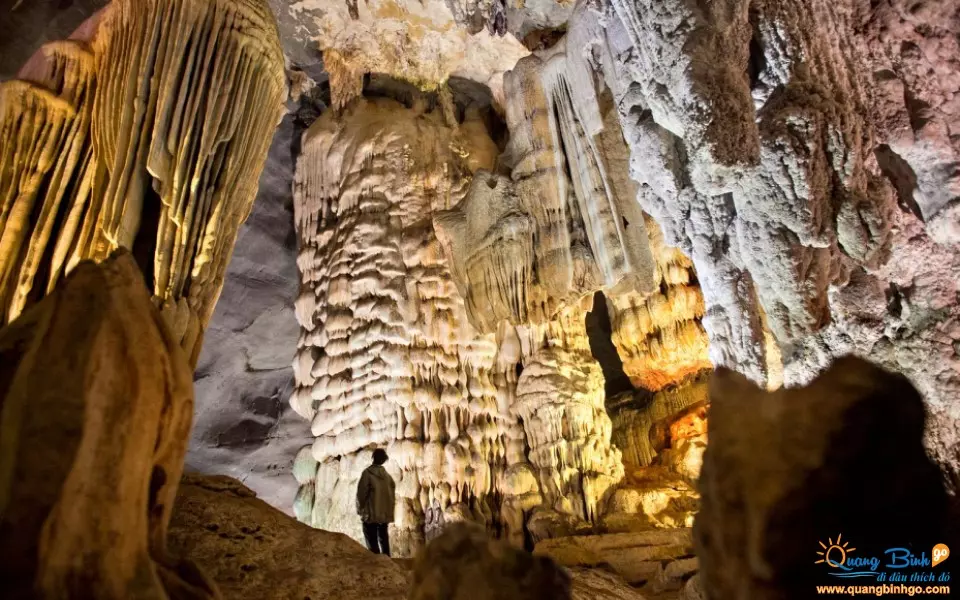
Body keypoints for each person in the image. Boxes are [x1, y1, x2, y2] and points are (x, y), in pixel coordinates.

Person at [356, 448, 396, 556]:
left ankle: (375, 562)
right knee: (383, 538)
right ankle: (387, 561)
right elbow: (391, 493)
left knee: (371, 539)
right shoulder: (387, 477)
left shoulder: (367, 473)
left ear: (373, 458)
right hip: (384, 515)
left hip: (371, 514)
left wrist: (360, 509)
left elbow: (361, 493)